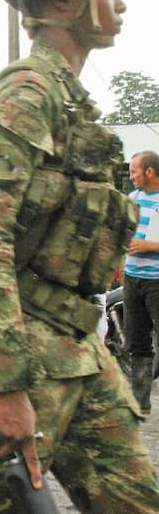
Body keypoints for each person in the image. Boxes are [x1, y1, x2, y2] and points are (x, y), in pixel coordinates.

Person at [0, 0, 159, 512]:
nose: (120, 3)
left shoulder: (69, 100)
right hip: (32, 355)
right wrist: (7, 383)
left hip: (78, 350)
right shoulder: (28, 92)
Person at [124, 150, 159, 415]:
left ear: (149, 172)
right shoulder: (132, 200)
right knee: (137, 342)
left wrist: (151, 245)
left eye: (134, 171)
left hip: (156, 281)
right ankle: (140, 402)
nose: (131, 176)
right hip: (133, 278)